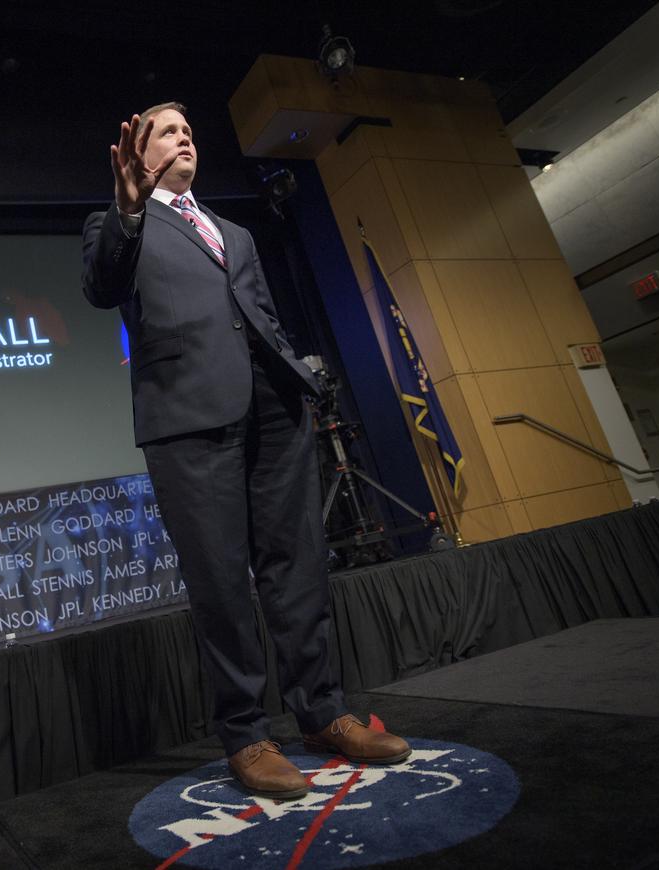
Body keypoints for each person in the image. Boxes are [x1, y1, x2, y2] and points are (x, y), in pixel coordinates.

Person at [81, 102, 410, 799]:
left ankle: (323, 715)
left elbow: (260, 314)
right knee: (223, 584)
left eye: (190, 131)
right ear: (138, 154)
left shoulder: (235, 232)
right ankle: (247, 736)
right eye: (169, 131)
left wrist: (298, 380)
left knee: (299, 569)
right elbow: (101, 286)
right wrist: (128, 213)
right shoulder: (120, 224)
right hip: (189, 422)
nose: (185, 139)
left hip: (275, 412)